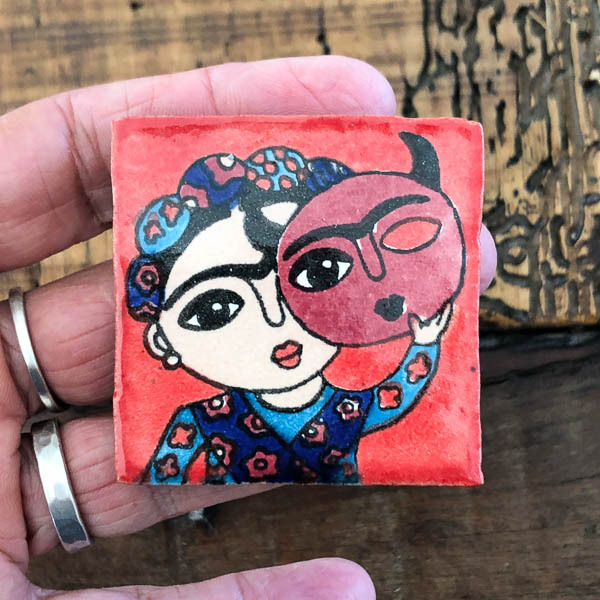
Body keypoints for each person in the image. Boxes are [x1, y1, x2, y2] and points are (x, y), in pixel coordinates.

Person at [0, 56, 497, 598]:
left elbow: (397, 394)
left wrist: (424, 340)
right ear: (162, 338)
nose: (277, 320)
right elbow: (166, 467)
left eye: (315, 274)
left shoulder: (348, 408)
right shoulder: (196, 424)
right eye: (214, 309)